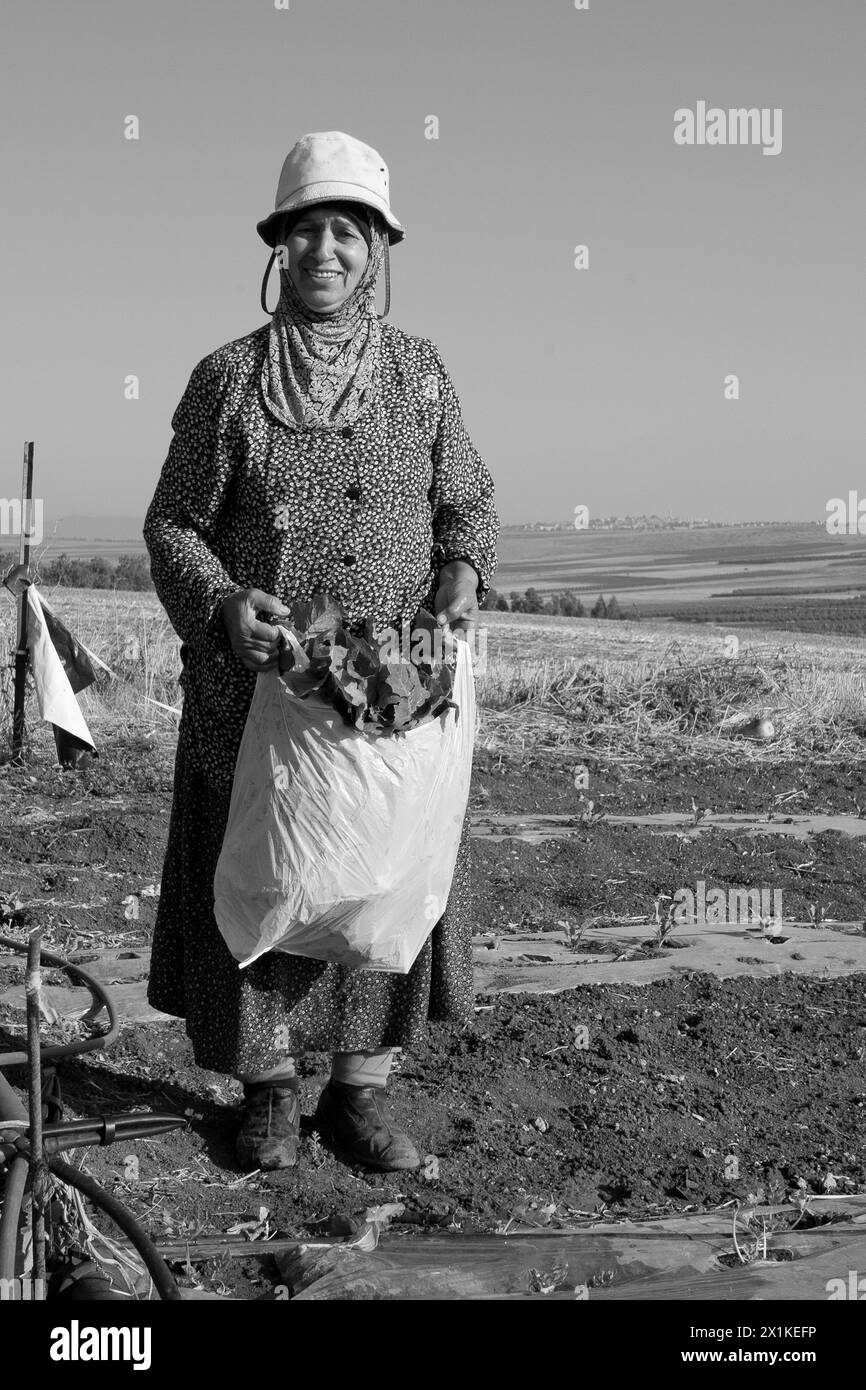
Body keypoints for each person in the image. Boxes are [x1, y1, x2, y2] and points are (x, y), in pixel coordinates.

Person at [143, 131, 499, 1173]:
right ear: (279, 246)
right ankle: (265, 1091)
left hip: (388, 681)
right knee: (267, 866)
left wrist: (460, 575)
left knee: (379, 863)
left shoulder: (422, 376)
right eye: (309, 230)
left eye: (349, 230)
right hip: (262, 683)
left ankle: (358, 1092)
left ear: (378, 246)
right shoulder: (229, 380)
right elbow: (172, 524)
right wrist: (219, 604)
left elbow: (467, 503)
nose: (328, 250)